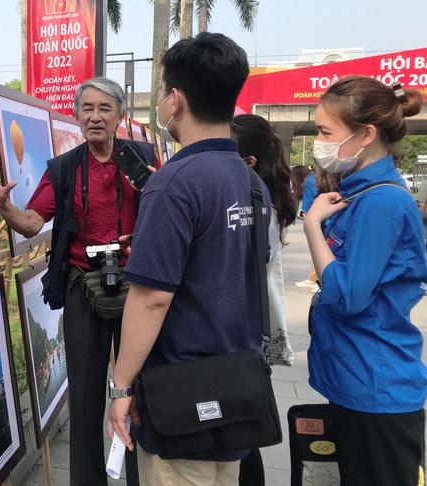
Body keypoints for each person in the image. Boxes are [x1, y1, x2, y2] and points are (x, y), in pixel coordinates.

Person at [0, 76, 159, 485]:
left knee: (142, 395)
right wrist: (3, 206)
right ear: (76, 115)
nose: (95, 117)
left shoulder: (145, 159)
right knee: (87, 400)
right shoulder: (64, 168)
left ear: (120, 116)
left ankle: (143, 478)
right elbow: (32, 222)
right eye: (87, 108)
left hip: (139, 291)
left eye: (105, 108)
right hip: (82, 290)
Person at [107, 32, 270, 485]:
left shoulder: (174, 181)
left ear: (174, 99)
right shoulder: (252, 182)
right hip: (235, 388)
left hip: (181, 397)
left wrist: (121, 385)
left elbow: (152, 298)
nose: (160, 102)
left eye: (161, 92)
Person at [303, 76, 427, 485]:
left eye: (325, 132)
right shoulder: (357, 193)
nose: (319, 142)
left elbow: (348, 295)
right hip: (354, 379)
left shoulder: (381, 202)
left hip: (376, 389)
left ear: (366, 134)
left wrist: (312, 227)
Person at [231, 114, 297, 485]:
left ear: (248, 162)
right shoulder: (260, 195)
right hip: (250, 329)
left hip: (242, 330)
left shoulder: (253, 202)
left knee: (241, 433)